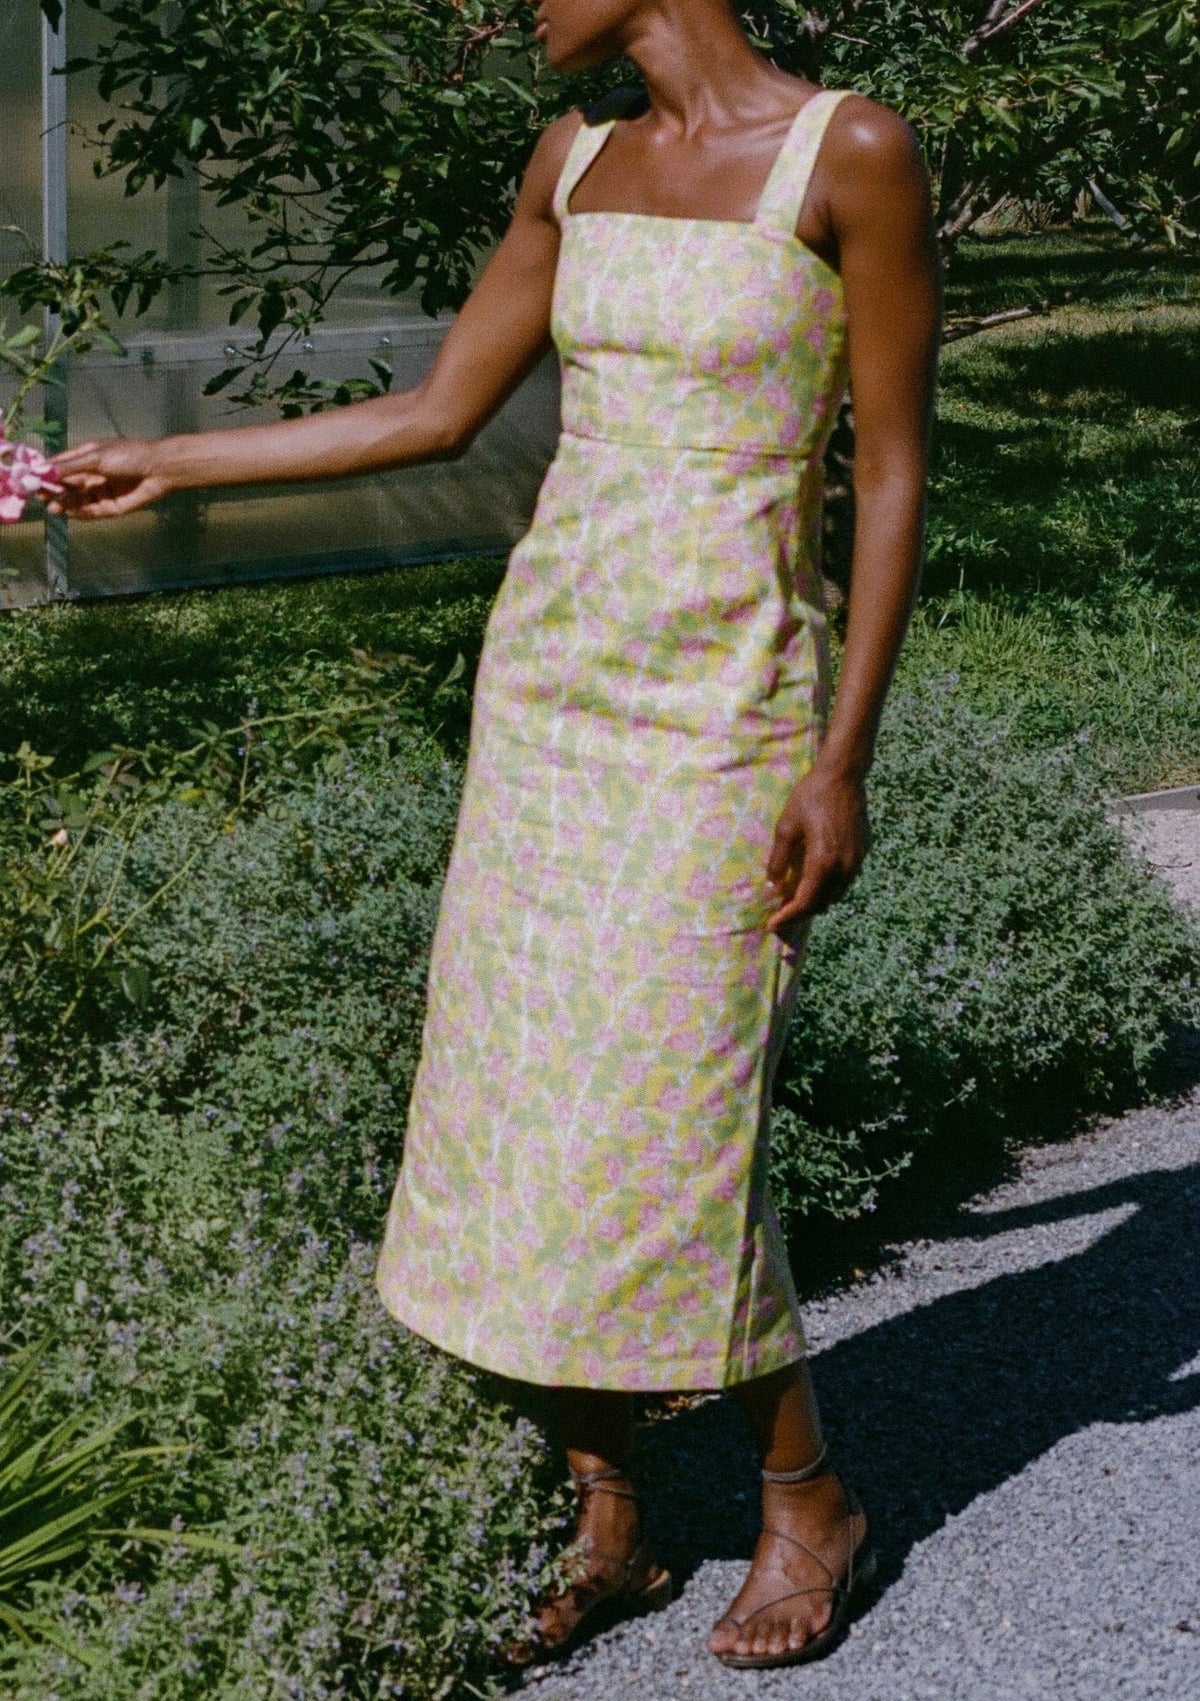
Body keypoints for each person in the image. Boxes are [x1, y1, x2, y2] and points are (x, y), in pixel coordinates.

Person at [50, 0, 941, 1672]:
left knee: (678, 1093)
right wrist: (170, 458)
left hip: (730, 698)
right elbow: (440, 410)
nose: (510, 8)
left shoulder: (853, 154)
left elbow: (891, 469)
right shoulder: (575, 161)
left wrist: (845, 756)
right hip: (553, 695)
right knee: (527, 1093)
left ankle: (807, 1492)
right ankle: (613, 1508)